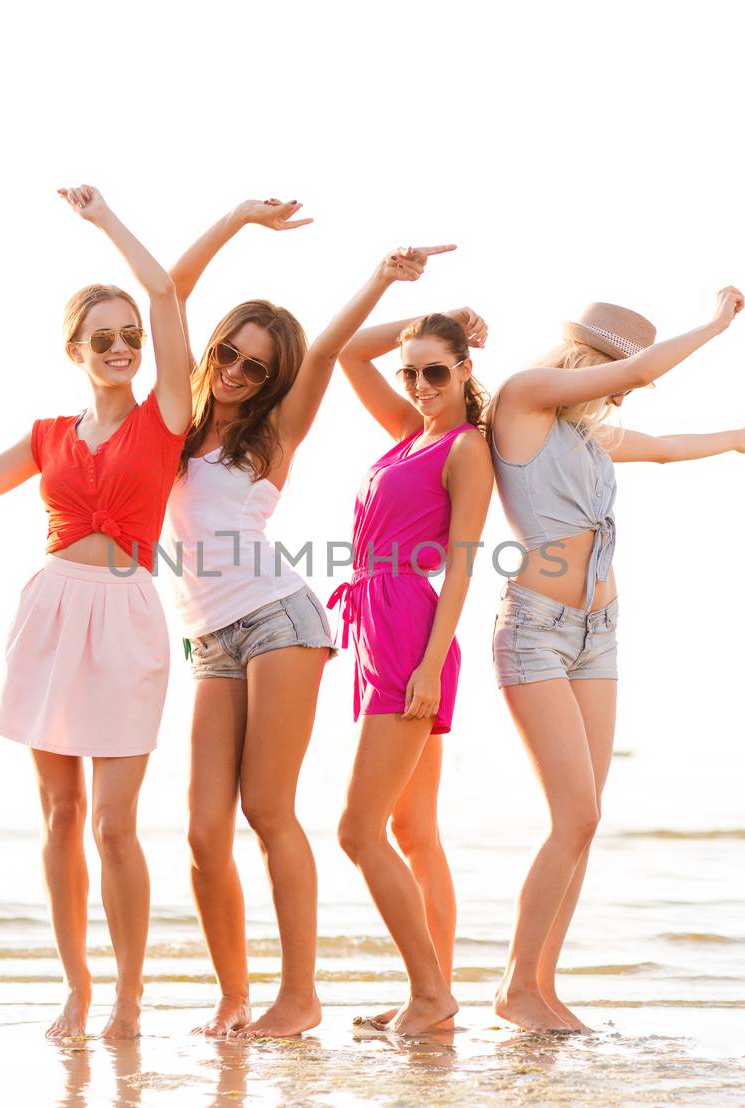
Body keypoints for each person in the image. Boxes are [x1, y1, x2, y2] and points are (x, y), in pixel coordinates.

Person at [167, 204, 453, 1039]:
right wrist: (237, 222)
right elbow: (168, 294)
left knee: (267, 809)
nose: (233, 372)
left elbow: (327, 351)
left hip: (278, 621)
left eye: (255, 368)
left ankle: (299, 998)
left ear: (272, 380)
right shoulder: (173, 427)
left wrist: (385, 280)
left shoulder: (273, 432)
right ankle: (232, 996)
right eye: (227, 353)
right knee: (201, 828)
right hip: (209, 636)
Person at [0, 185, 191, 1040]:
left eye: (129, 339)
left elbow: (166, 296)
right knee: (60, 816)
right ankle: (77, 988)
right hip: (50, 612)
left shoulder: (166, 417)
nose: (122, 348)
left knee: (116, 824)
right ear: (75, 350)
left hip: (125, 617)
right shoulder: (50, 432)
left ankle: (129, 993)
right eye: (104, 340)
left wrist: (104, 219)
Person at [485, 291, 745, 1031]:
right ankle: (514, 989)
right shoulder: (525, 397)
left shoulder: (586, 435)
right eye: (612, 375)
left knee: (586, 819)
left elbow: (668, 447)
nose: (617, 391)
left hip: (596, 631)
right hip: (536, 629)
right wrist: (715, 325)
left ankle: (542, 986)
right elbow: (642, 376)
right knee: (572, 813)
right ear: (588, 360)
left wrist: (732, 437)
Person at [330, 297, 495, 1034]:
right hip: (375, 627)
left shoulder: (465, 449)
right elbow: (343, 353)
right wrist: (433, 315)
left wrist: (429, 666)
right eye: (411, 372)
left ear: (464, 371)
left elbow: (461, 567)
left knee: (357, 830)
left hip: (409, 633)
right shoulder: (406, 434)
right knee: (414, 831)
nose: (421, 384)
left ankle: (431, 995)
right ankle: (433, 997)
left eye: (435, 371)